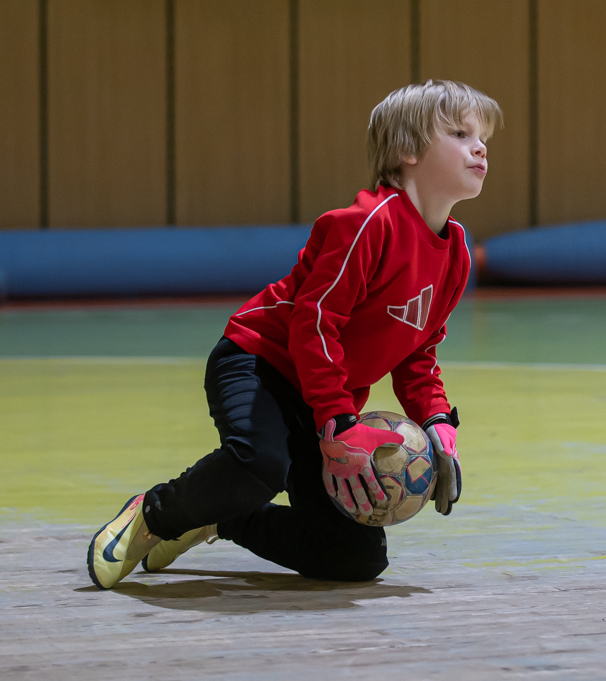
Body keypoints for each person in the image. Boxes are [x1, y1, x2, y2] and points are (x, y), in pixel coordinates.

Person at [87, 80, 502, 588]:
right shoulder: (366, 223)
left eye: (483, 138)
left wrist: (436, 420)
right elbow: (314, 323)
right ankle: (153, 515)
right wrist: (339, 422)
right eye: (460, 134)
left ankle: (219, 518)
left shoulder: (456, 252)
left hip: (324, 400)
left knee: (354, 558)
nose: (479, 148)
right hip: (260, 363)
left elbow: (418, 353)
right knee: (259, 464)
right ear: (408, 151)